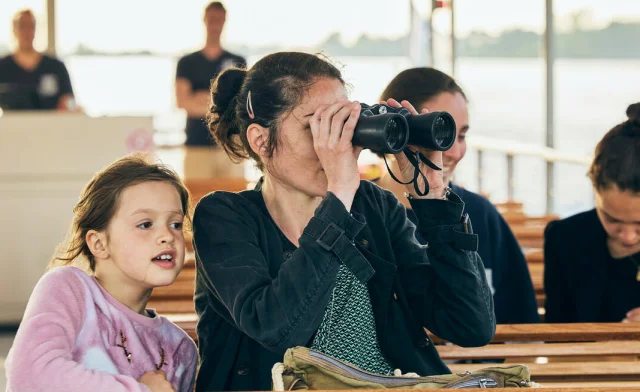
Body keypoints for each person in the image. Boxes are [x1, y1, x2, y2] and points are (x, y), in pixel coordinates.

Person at [192, 52, 495, 391]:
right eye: (316, 128)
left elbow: (471, 327)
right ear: (261, 141)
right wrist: (338, 194)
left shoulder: (373, 206)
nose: (334, 145)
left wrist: (433, 197)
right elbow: (280, 330)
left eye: (342, 125)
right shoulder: (223, 216)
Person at [5, 154, 198, 392]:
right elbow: (31, 374)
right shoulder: (69, 288)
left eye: (176, 224)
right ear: (98, 244)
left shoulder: (180, 349)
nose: (168, 236)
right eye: (145, 224)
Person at [376, 67, 539, 324]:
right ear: (394, 131)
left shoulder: (480, 214)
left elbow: (521, 320)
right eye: (438, 132)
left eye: (460, 135)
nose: (453, 152)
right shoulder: (357, 211)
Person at [544, 103, 640, 323]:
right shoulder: (565, 239)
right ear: (595, 190)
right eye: (611, 219)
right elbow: (557, 335)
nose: (628, 236)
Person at [175, 1, 246, 179]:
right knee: (196, 199)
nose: (215, 24)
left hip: (231, 145)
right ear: (204, 20)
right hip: (196, 145)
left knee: (235, 200)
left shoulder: (237, 60)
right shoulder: (187, 63)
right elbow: (183, 102)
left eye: (219, 19)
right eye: (212, 19)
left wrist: (201, 98)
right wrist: (223, 104)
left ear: (225, 21)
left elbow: (241, 102)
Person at [0, 9, 77, 111]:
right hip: (12, 126)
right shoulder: (3, 66)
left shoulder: (56, 66)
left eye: (31, 26)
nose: (26, 31)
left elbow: (70, 100)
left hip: (51, 125)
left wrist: (70, 107)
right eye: (22, 26)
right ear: (14, 30)